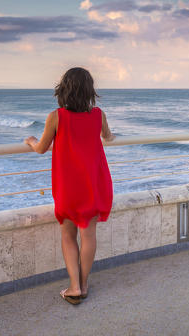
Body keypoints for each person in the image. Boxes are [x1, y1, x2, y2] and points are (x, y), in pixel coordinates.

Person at [24, 67, 115, 305]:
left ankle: (74, 286)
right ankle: (83, 285)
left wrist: (32, 141)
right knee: (89, 235)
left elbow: (42, 147)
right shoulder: (98, 115)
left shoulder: (57, 116)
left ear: (63, 90)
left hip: (68, 185)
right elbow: (108, 136)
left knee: (67, 234)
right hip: (93, 183)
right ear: (89, 91)